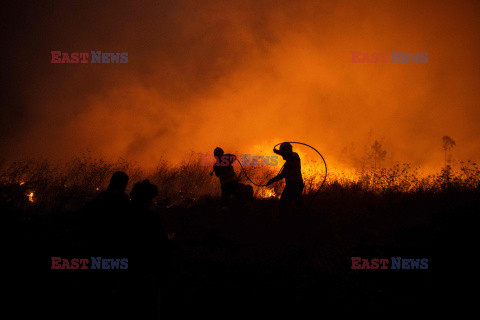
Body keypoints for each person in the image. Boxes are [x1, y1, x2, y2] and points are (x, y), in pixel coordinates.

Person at [129, 179, 172, 318]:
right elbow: (162, 245)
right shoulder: (151, 218)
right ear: (147, 200)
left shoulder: (124, 215)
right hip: (148, 271)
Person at [266, 143, 305, 214]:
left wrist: (278, 152)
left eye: (283, 152)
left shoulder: (295, 155)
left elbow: (289, 154)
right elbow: (282, 175)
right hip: (292, 185)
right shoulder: (287, 164)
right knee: (295, 205)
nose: (282, 155)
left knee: (283, 205)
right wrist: (271, 181)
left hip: (295, 185)